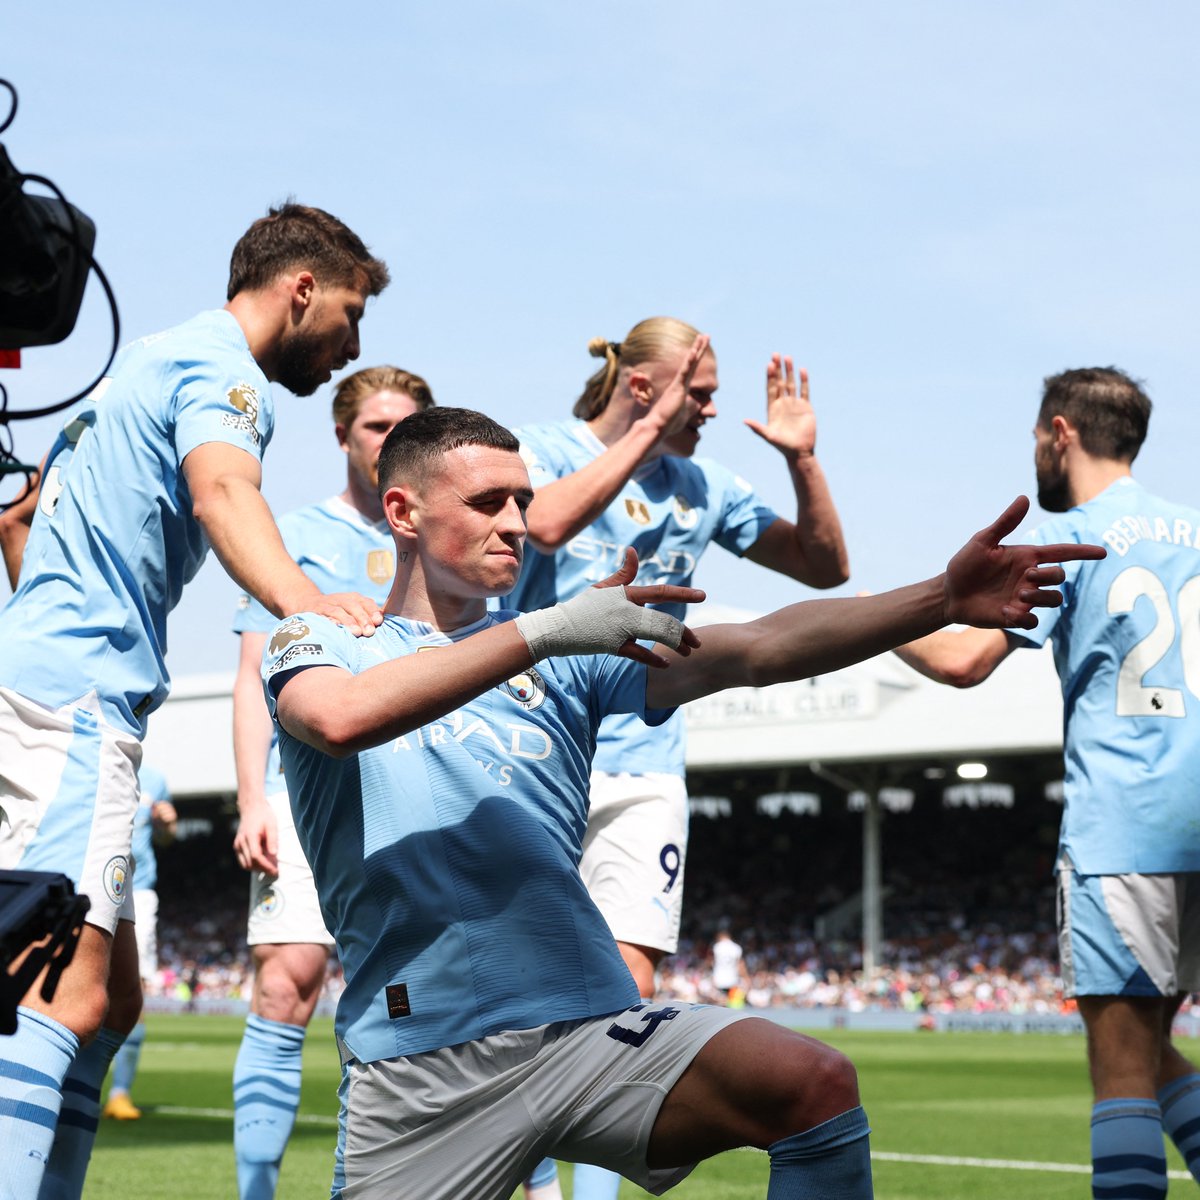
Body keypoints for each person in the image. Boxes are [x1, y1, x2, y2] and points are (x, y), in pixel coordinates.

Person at [260, 405, 1101, 1200]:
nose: (516, 522)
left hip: (583, 1031)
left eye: (521, 500)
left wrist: (939, 601)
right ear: (403, 512)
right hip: (422, 1067)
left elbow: (764, 646)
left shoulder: (568, 653)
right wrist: (545, 629)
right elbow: (338, 719)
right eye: (487, 502)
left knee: (811, 1083)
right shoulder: (324, 637)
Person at [0, 201, 389, 1200]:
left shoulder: (143, 370)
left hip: (52, 685)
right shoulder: (220, 369)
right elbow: (224, 494)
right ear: (301, 290)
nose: (352, 346)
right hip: (78, 701)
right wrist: (311, 607)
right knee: (58, 997)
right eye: (349, 314)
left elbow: (25, 526)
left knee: (115, 997)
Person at [509, 320, 849, 1198]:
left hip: (649, 759)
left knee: (620, 1003)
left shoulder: (706, 487)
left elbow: (823, 566)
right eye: (697, 392)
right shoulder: (545, 448)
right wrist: (647, 433)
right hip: (537, 751)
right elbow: (543, 526)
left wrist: (802, 460)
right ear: (641, 386)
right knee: (521, 991)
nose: (710, 408)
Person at [893, 367, 1200, 1199]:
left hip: (1125, 827)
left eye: (1035, 438)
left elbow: (962, 661)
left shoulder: (1071, 542)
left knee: (1122, 1076)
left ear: (1059, 434)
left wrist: (880, 625)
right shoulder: (1197, 533)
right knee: (1157, 1048)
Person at [229, 364, 434, 1200]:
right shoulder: (296, 535)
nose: (392, 442)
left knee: (434, 999)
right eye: (377, 428)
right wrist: (252, 797)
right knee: (286, 983)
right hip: (306, 788)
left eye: (409, 427)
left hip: (420, 789)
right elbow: (252, 673)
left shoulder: (442, 529)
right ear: (343, 437)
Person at [102, 763, 177, 1120]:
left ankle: (120, 1092)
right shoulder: (95, 755)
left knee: (134, 986)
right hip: (90, 878)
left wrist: (166, 824)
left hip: (139, 889)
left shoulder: (155, 779)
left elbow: (167, 838)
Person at [710, 928, 748, 1004]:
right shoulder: (736, 948)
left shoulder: (716, 946)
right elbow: (740, 964)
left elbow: (711, 961)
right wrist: (746, 977)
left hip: (719, 977)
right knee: (731, 1002)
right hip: (732, 978)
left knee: (720, 1001)